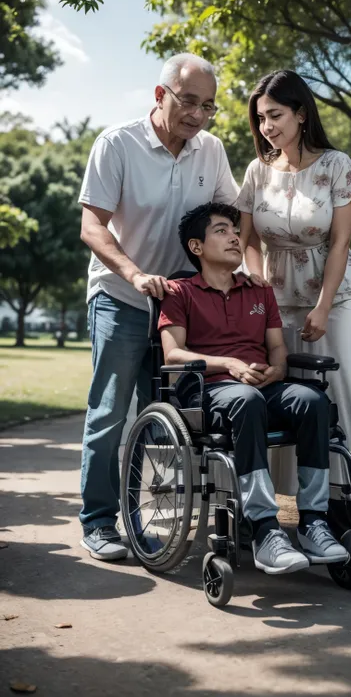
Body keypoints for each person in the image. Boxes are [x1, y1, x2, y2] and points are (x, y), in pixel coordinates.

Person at [78, 53, 240, 561]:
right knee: (110, 413)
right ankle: (99, 521)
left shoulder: (210, 150)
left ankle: (148, 520)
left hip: (182, 304)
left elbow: (229, 216)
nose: (197, 115)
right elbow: (92, 226)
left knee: (171, 414)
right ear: (160, 95)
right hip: (121, 297)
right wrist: (132, 273)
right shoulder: (117, 143)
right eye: (189, 101)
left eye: (208, 106)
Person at [237, 70, 351, 571]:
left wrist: (324, 307)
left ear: (302, 113)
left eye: (276, 115)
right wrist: (261, 300)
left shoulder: (336, 166)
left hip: (338, 296)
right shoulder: (256, 172)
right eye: (261, 118)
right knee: (295, 401)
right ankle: (310, 517)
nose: (266, 126)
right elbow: (248, 243)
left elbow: (341, 243)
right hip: (275, 299)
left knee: (347, 397)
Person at [158, 202, 350, 574]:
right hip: (208, 390)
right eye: (221, 231)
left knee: (312, 400)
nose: (234, 237)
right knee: (245, 400)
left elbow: (277, 347)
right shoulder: (180, 292)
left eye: (235, 230)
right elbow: (173, 353)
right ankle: (264, 529)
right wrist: (229, 364)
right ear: (196, 247)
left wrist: (277, 369)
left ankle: (313, 522)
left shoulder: (259, 292)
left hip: (260, 386)